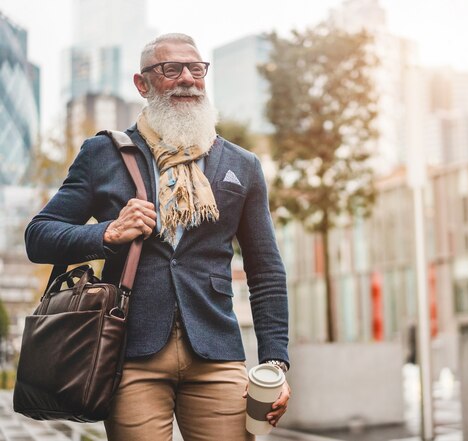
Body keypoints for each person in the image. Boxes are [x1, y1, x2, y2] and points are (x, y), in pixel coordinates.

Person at [25, 33, 290, 441]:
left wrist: (275, 362)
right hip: (129, 355)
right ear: (142, 84)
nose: (186, 78)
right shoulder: (104, 154)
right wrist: (107, 233)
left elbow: (266, 270)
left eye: (195, 68)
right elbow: (39, 236)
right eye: (171, 69)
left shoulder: (242, 165)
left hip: (217, 354)